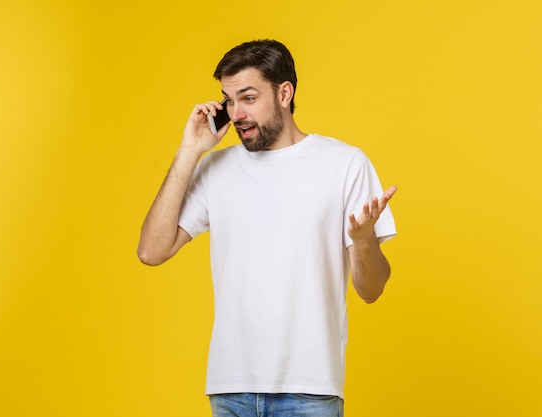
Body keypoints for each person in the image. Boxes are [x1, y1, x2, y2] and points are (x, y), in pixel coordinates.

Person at [138, 39, 397, 417]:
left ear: (284, 93)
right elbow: (151, 251)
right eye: (228, 100)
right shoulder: (216, 169)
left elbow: (371, 290)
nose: (236, 112)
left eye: (247, 97)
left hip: (309, 391)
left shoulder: (344, 164)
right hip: (231, 390)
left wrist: (362, 243)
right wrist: (190, 151)